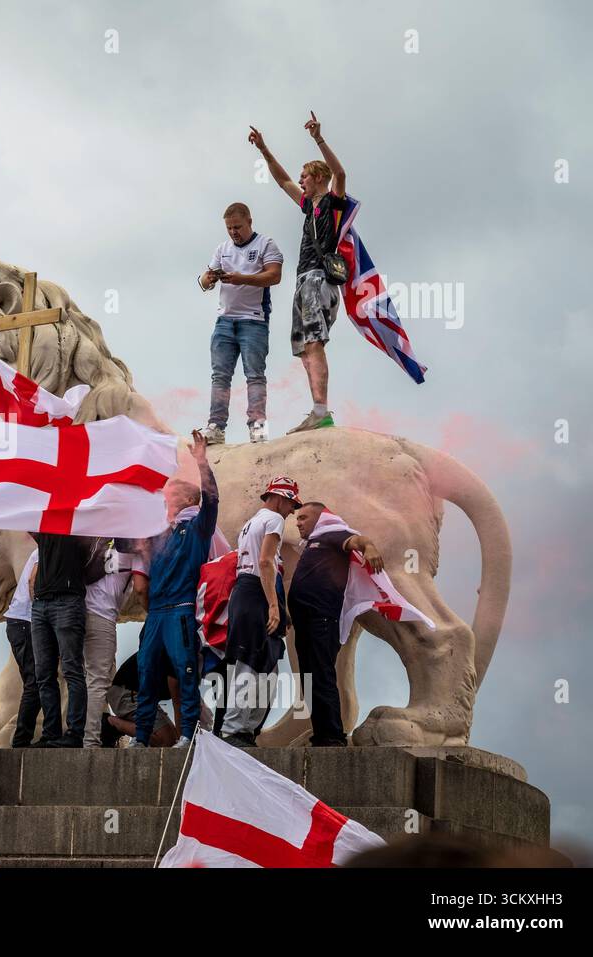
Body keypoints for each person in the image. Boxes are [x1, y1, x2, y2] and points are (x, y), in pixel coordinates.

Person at [247, 112, 349, 433]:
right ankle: (317, 409)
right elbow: (281, 181)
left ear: (318, 177)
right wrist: (264, 149)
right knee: (306, 347)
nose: (300, 180)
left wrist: (318, 139)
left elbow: (340, 172)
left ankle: (321, 411)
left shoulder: (333, 202)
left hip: (319, 278)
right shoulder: (309, 206)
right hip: (304, 281)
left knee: (315, 342)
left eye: (305, 176)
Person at [129, 430, 219, 748]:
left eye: (173, 493)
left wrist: (202, 462)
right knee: (146, 674)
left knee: (186, 672)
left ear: (190, 500)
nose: (166, 496)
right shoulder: (157, 534)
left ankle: (187, 735)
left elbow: (212, 500)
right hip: (155, 613)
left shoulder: (198, 528)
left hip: (181, 610)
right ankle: (140, 737)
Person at [289, 502, 385, 747]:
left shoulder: (332, 534)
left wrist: (370, 548)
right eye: (297, 518)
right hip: (304, 623)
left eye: (303, 517)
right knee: (310, 678)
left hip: (322, 620)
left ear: (319, 518)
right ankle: (321, 733)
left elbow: (357, 540)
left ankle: (332, 736)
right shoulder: (311, 543)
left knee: (322, 675)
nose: (298, 522)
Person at [198, 203, 284, 445]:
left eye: (237, 227)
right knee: (220, 376)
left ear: (249, 222)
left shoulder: (265, 244)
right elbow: (205, 282)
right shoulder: (222, 249)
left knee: (255, 375)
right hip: (225, 320)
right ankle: (216, 426)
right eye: (229, 228)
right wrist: (209, 278)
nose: (234, 232)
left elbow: (274, 276)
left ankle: (257, 426)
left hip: (254, 320)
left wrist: (241, 279)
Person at [222, 477, 299, 747]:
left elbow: (267, 563)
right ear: (279, 498)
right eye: (291, 503)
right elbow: (265, 562)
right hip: (255, 592)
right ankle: (233, 729)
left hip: (248, 592)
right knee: (251, 664)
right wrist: (274, 606)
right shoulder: (274, 520)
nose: (292, 511)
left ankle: (245, 729)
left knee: (265, 667)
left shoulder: (251, 523)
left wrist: (280, 606)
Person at [29, 532, 92, 748]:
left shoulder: (80, 524)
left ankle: (75, 733)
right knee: (43, 674)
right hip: (40, 603)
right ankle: (51, 733)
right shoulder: (43, 525)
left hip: (68, 600)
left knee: (71, 669)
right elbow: (24, 516)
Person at [82, 540, 146, 748]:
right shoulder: (136, 549)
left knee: (82, 678)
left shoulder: (99, 541)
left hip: (78, 612)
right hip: (102, 615)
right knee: (98, 682)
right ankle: (91, 740)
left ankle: (78, 732)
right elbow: (140, 588)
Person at [1, 544, 41, 748]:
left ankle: (23, 737)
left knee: (35, 681)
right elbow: (33, 581)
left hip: (23, 621)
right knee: (34, 681)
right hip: (25, 621)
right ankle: (21, 739)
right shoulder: (43, 551)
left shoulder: (40, 550)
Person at [102, 651, 181, 749]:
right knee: (167, 741)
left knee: (173, 739)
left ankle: (133, 726)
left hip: (143, 695)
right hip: (126, 692)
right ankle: (111, 722)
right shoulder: (181, 659)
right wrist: (184, 740)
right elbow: (179, 704)